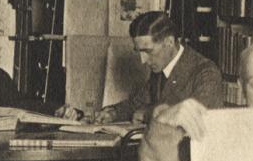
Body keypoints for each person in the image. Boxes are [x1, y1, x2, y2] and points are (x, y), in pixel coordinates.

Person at [86, 11, 222, 125]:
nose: (143, 60)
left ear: (169, 42)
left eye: (148, 51)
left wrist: (148, 114)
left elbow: (195, 118)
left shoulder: (206, 72)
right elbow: (137, 103)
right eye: (139, 51)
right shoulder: (162, 68)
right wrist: (113, 113)